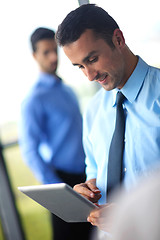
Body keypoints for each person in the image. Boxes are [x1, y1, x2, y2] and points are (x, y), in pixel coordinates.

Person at [55, 3, 160, 234]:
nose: (90, 76)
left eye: (92, 59)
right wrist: (87, 190)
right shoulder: (93, 111)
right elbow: (94, 171)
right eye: (80, 66)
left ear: (118, 39)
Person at [19, 27, 92, 240]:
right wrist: (59, 192)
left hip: (87, 178)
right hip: (64, 182)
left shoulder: (67, 90)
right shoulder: (34, 99)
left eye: (54, 50)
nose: (53, 57)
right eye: (45, 52)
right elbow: (30, 151)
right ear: (34, 56)